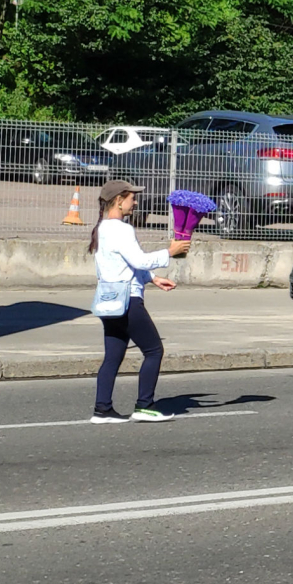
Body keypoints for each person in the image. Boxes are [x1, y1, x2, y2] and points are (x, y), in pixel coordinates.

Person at [91, 179, 188, 423]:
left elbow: (124, 264)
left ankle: (102, 409)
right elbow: (140, 261)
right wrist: (170, 252)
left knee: (113, 357)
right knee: (154, 350)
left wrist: (153, 279)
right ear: (118, 200)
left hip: (108, 301)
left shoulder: (102, 228)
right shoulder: (122, 229)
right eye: (131, 197)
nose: (135, 201)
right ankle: (144, 405)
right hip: (128, 301)